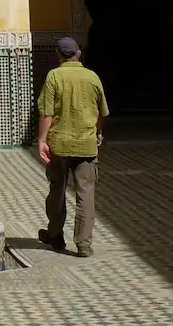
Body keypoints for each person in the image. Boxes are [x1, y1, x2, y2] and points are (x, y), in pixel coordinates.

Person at [36, 36, 108, 256]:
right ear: (78, 53)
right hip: (85, 145)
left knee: (57, 191)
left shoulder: (54, 76)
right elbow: (102, 112)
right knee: (85, 194)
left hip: (59, 145)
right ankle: (84, 244)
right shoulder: (92, 77)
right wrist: (98, 132)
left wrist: (42, 140)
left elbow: (47, 112)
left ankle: (56, 236)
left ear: (58, 56)